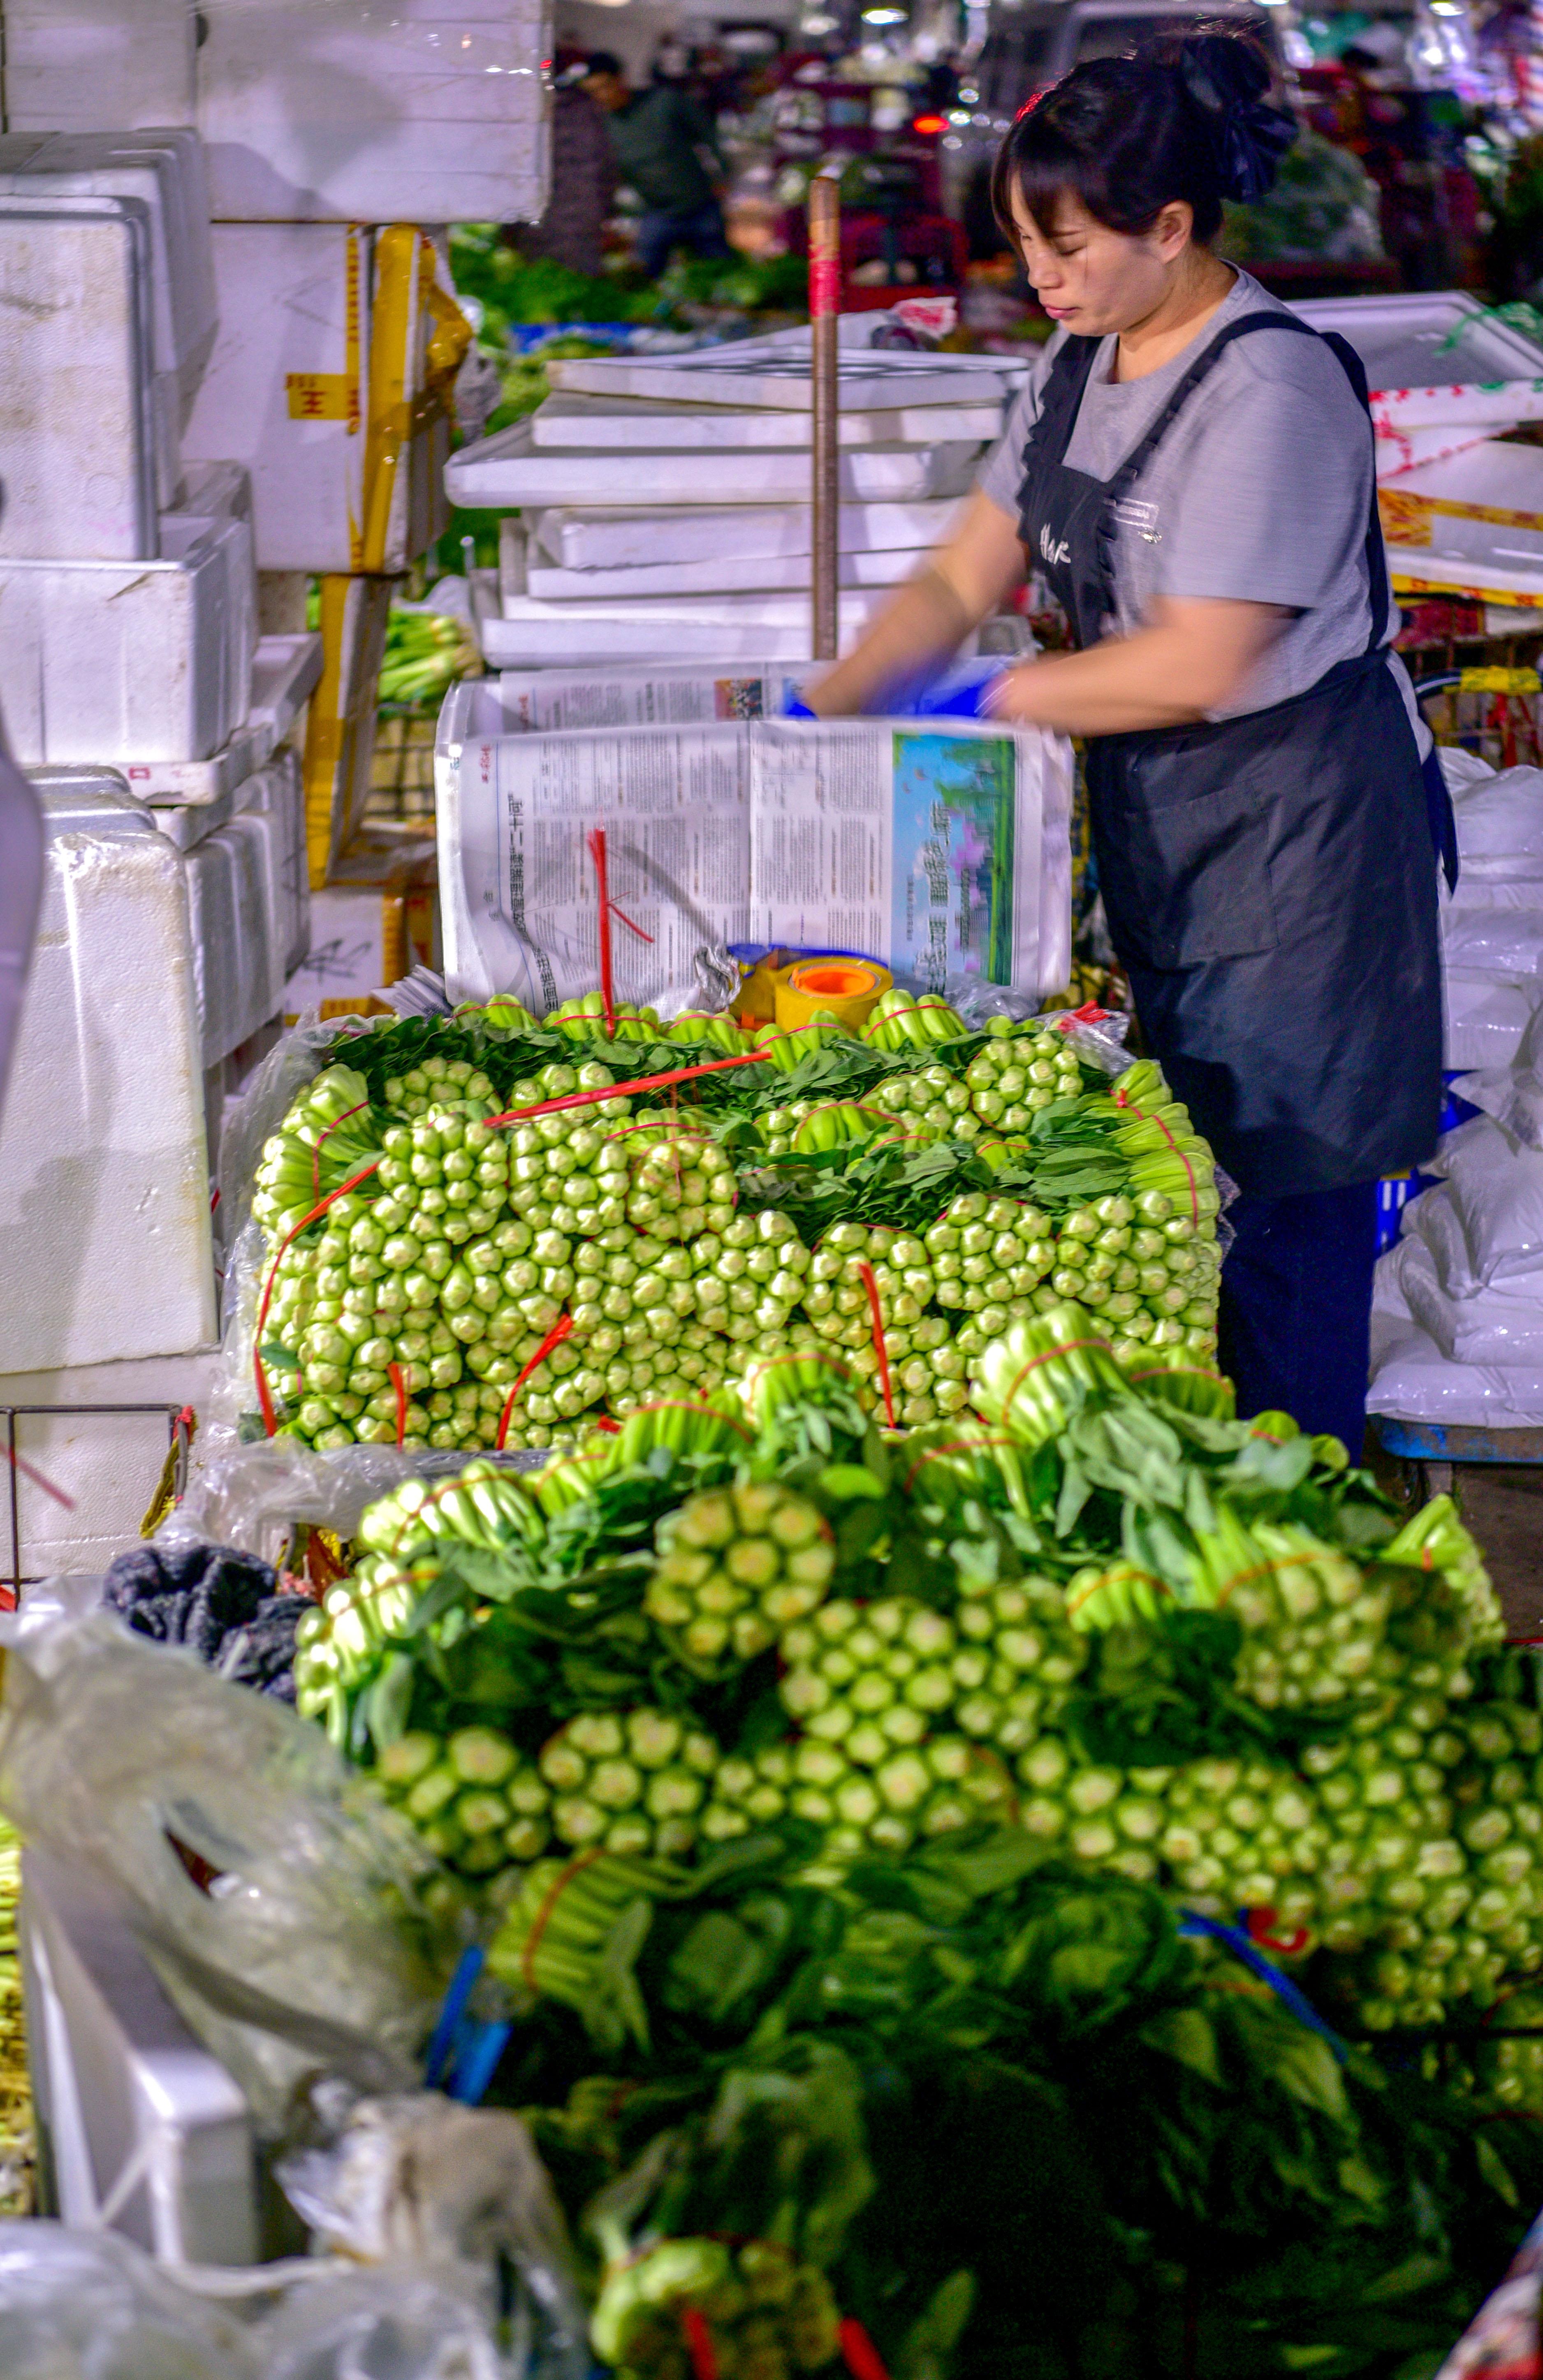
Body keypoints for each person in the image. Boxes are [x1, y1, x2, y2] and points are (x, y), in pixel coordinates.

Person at [803, 32, 1448, 1455]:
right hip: (1176, 823)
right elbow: (966, 568)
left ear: (1170, 228)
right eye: (1024, 240)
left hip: (1301, 846)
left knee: (1287, 1204)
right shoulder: (1081, 356)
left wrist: (976, 704)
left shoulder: (1267, 387)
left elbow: (1203, 657)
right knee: (1182, 1191)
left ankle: (1301, 1517)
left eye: (1067, 241)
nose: (1040, 273)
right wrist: (837, 696)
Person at [580, 49, 733, 280]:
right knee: (644, 277)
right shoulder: (601, 129)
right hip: (656, 213)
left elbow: (710, 137)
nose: (604, 96)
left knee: (719, 274)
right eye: (594, 92)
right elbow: (604, 177)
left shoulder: (665, 102)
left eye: (606, 86)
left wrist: (723, 177)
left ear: (621, 78)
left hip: (701, 206)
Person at [510, 53, 615, 279]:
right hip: (582, 218)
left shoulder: (523, 113)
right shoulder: (589, 109)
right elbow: (606, 164)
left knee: (543, 283)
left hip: (542, 221)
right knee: (579, 286)